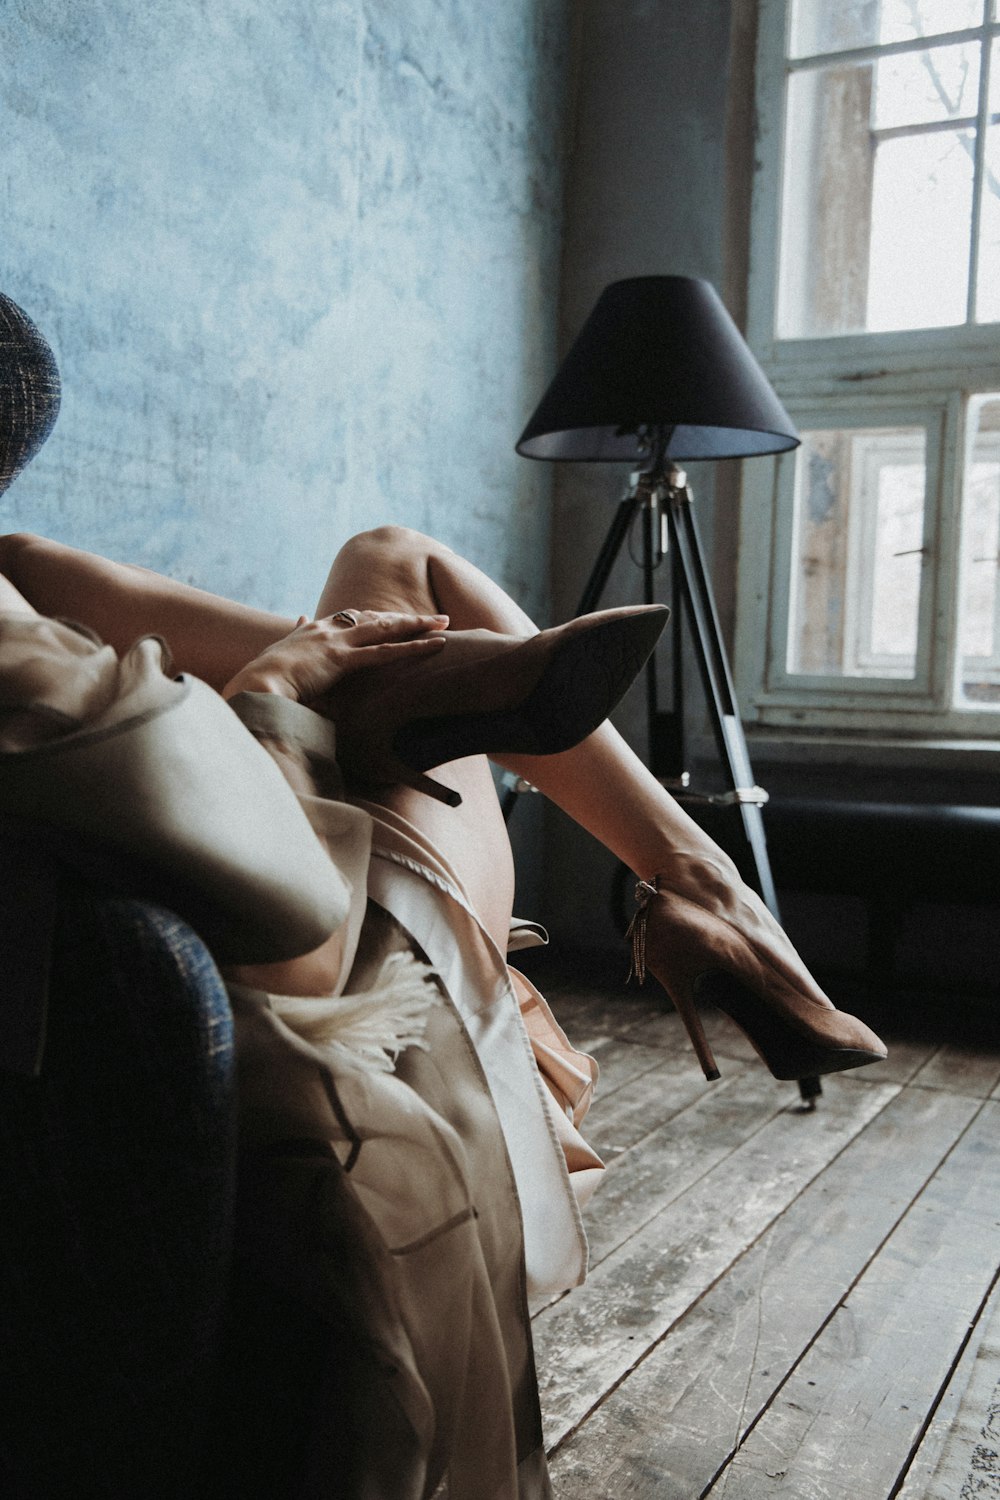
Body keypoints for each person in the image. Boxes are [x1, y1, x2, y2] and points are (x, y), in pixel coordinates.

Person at [0, 294, 886, 1499]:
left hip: (226, 881)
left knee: (83, 565)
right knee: (401, 561)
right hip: (318, 969)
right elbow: (289, 910)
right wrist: (277, 691)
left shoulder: (18, 601)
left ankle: (423, 701)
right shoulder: (22, 671)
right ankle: (700, 886)